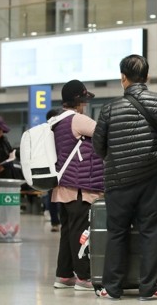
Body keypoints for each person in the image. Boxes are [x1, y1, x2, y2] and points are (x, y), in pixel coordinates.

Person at [92, 54, 157, 300]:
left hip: (117, 182)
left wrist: (115, 158)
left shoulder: (109, 109)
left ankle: (112, 289)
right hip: (152, 181)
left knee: (116, 232)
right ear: (146, 77)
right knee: (150, 232)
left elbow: (98, 146)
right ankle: (149, 289)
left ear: (123, 78)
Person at [51, 80, 104, 291]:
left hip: (63, 187)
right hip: (79, 187)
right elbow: (104, 133)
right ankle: (83, 277)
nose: (85, 104)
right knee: (80, 231)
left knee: (68, 231)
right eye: (83, 99)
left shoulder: (55, 121)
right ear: (78, 100)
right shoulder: (78, 120)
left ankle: (64, 275)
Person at [45, 109, 61, 232]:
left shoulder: (60, 130)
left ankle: (58, 221)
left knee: (58, 197)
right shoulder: (46, 132)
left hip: (60, 168)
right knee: (52, 197)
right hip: (52, 169)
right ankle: (55, 222)